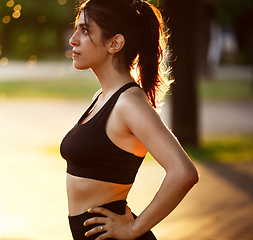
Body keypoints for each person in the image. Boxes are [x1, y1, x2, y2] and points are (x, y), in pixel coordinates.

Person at [60, 0, 199, 239]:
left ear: (115, 43)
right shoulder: (103, 97)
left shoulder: (129, 103)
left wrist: (134, 228)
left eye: (85, 30)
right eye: (76, 29)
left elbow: (183, 172)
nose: (73, 39)